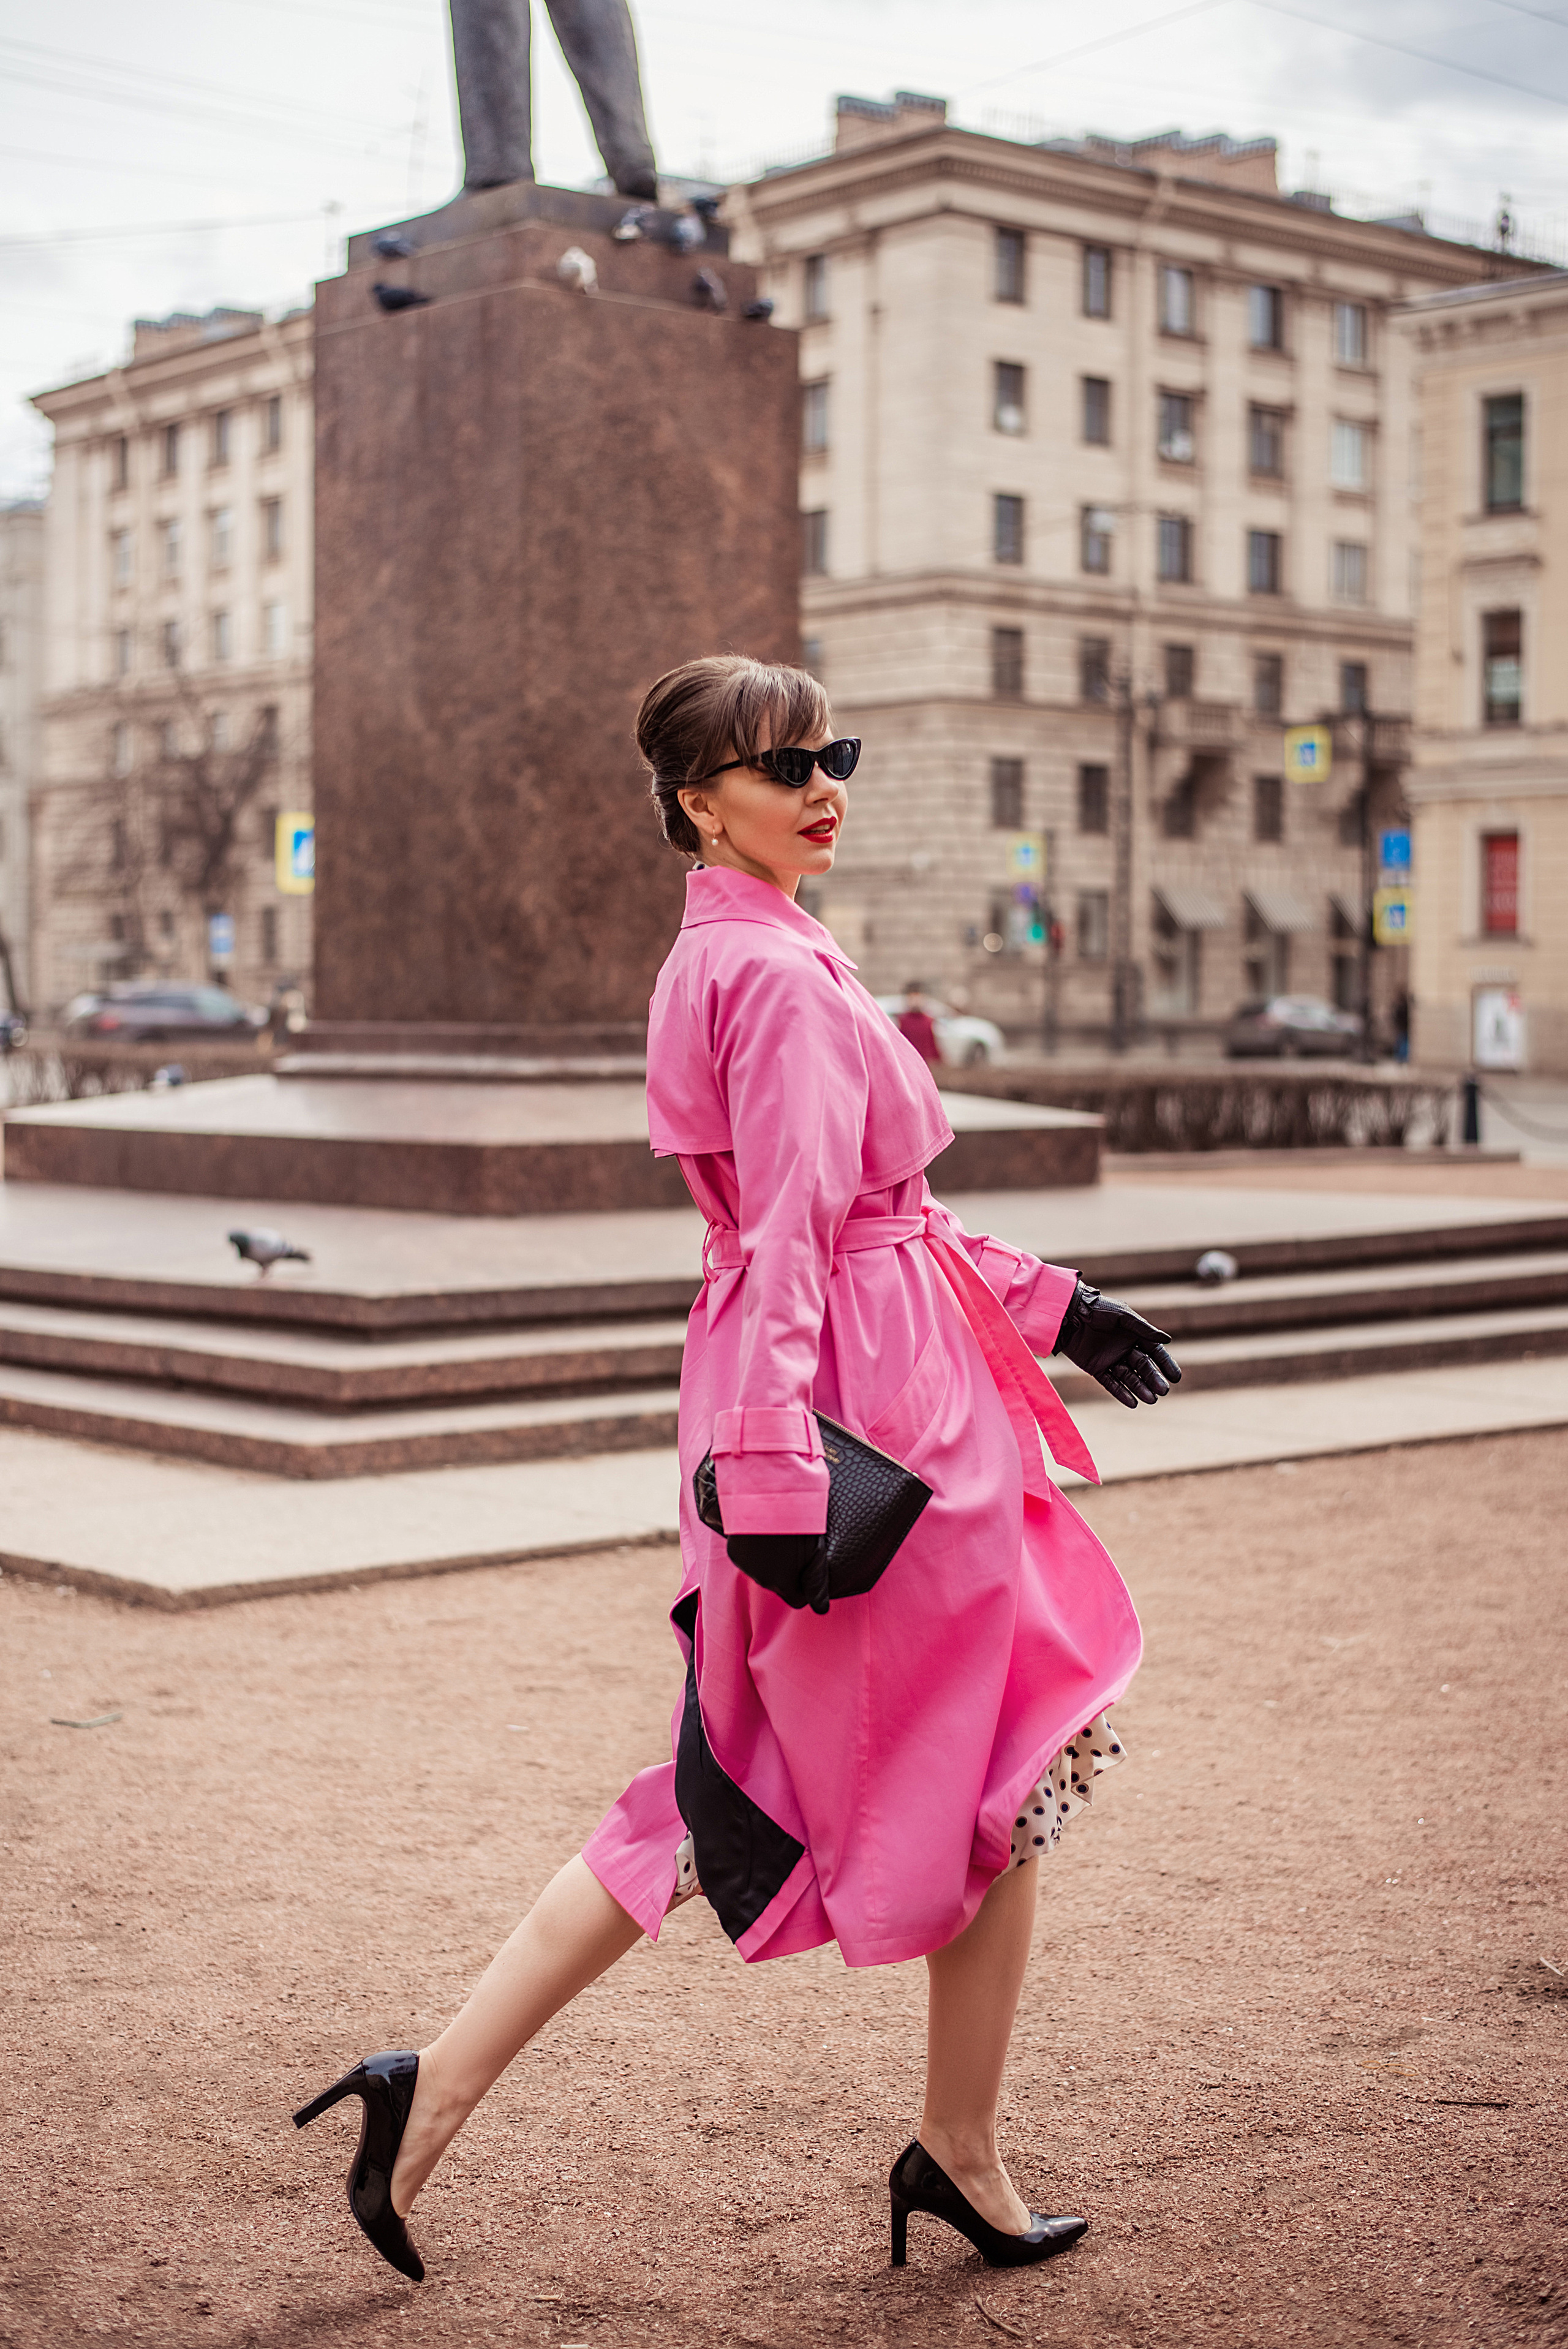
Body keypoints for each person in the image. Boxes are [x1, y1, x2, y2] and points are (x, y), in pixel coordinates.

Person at [293, 656, 1181, 2282]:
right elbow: (785, 1246)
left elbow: (872, 1218)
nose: (823, 783)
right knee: (843, 1781)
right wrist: (776, 1487)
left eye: (830, 751)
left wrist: (1063, 1303)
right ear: (701, 801)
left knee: (808, 1782)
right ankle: (938, 2144)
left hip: (883, 1393)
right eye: (783, 766)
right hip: (868, 1425)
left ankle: (444, 2096)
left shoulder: (770, 947)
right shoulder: (769, 976)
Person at [896, 983, 942, 1069]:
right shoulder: (901, 1021)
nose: (916, 1001)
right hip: (907, 1063)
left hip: (926, 1063)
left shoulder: (929, 1021)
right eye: (912, 998)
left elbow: (933, 1045)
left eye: (918, 998)